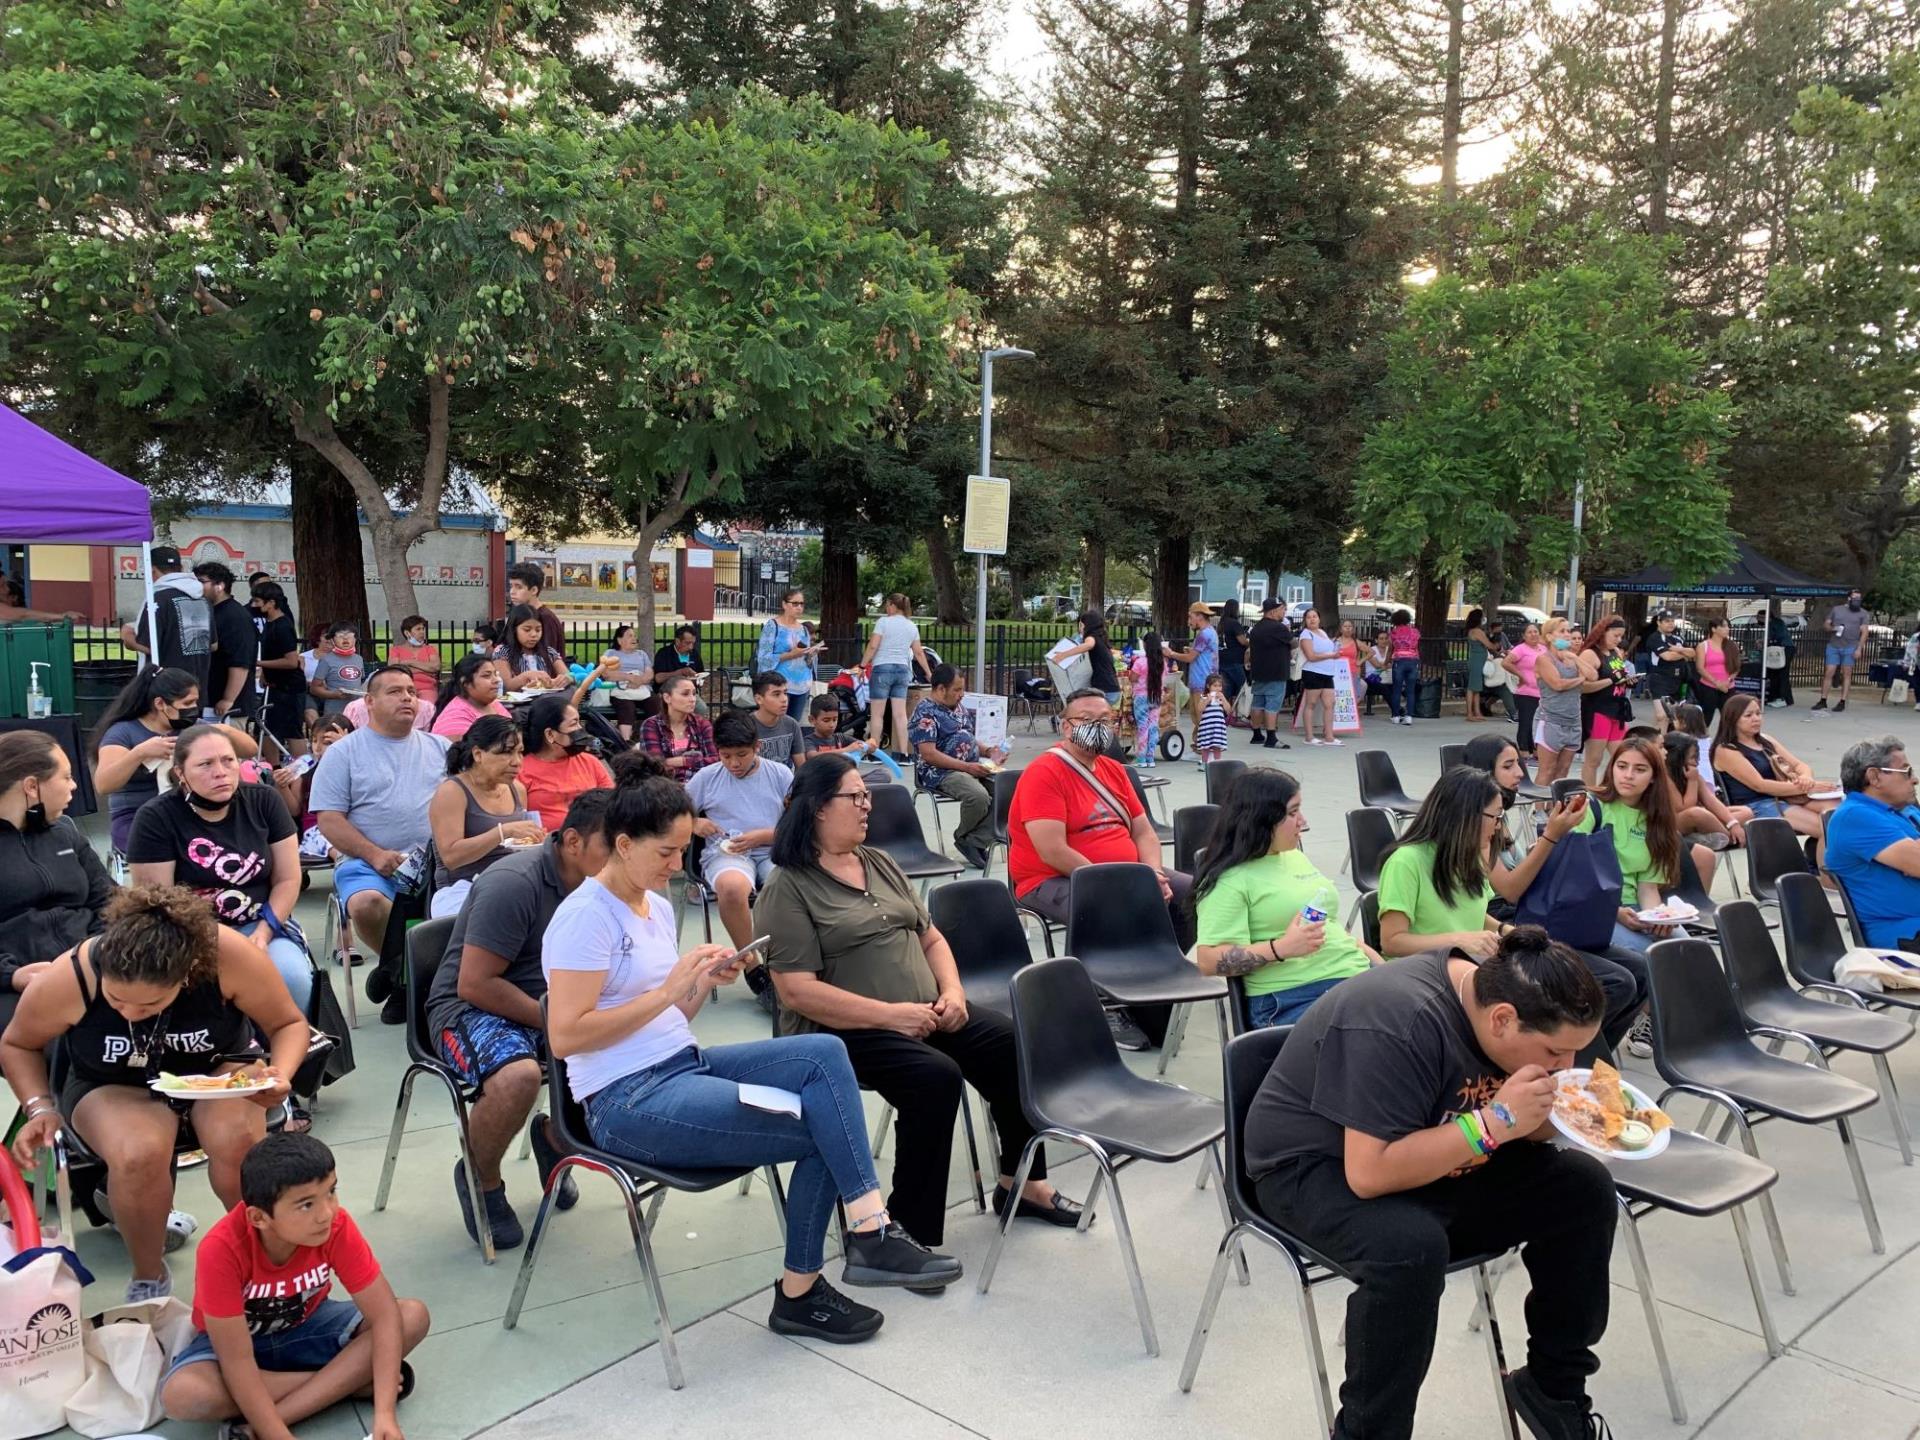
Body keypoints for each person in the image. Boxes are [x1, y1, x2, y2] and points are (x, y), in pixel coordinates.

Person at [543, 775, 963, 1342]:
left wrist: (700, 983)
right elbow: (567, 1037)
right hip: (624, 1099)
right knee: (821, 1127)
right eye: (666, 851)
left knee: (822, 1053)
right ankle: (815, 1280)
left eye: (682, 850)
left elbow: (673, 1020)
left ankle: (864, 1234)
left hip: (679, 1065)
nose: (676, 865)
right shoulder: (585, 917)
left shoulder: (653, 906)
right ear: (623, 845)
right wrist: (668, 991)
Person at [1242, 926, 1614, 1440]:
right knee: (1409, 1250)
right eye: (1554, 1054)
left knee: (1584, 1190)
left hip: (1441, 1155)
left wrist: (1567, 1116)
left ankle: (1553, 1387)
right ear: (1502, 1020)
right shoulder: (1398, 1018)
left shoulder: (1517, 1019)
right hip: (1312, 1165)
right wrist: (1495, 1122)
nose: (1564, 1066)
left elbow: (1525, 1132)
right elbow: (1369, 1173)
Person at [760, 755, 1081, 1247]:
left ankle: (1022, 1184)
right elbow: (797, 991)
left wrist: (953, 992)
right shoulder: (789, 886)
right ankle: (908, 1226)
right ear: (819, 808)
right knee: (933, 1077)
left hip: (925, 1010)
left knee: (1013, 1043)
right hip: (842, 1031)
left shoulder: (880, 862)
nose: (867, 805)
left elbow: (930, 938)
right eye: (855, 797)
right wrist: (892, 1016)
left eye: (866, 795)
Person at [3, 886, 309, 1302]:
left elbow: (288, 1024)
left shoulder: (228, 957)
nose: (129, 1013)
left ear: (186, 976)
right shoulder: (73, 974)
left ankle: (258, 1258)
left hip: (217, 1068)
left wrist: (280, 1074)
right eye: (116, 1000)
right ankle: (148, 1275)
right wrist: (39, 1106)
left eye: (148, 1006)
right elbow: (18, 1043)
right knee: (139, 1152)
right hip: (111, 1081)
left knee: (236, 1140)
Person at [424, 791, 612, 1249]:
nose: (624, 857)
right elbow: (475, 984)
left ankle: (554, 1137)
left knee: (638, 1055)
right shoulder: (514, 881)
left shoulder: (611, 886)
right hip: (471, 1008)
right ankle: (481, 1178)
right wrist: (560, 1022)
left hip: (554, 1004)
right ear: (572, 842)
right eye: (614, 845)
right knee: (517, 1078)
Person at [158, 1133, 430, 1440]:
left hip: (308, 1326)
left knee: (411, 1315)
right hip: (239, 1344)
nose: (326, 1213)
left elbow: (384, 1316)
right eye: (305, 1205)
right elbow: (237, 1361)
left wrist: (384, 1414)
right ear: (258, 1217)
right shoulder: (221, 1249)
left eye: (331, 1192)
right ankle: (349, 1382)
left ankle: (274, 1414)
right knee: (184, 1394)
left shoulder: (336, 1225)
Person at [1379, 765, 1646, 1052]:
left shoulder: (1466, 855)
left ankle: (1569, 1061)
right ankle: (1566, 1062)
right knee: (1605, 984)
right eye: (1494, 816)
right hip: (1435, 974)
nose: (1497, 826)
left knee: (1626, 977)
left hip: (1480, 959)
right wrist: (1460, 940)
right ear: (1465, 815)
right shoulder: (1406, 861)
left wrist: (1506, 930)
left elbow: (1467, 912)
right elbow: (1392, 941)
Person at [1007, 688, 1194, 1048]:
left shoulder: (1113, 770)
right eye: (1087, 720)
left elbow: (1143, 831)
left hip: (1126, 874)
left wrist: (1152, 873)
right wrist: (1117, 883)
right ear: (1066, 727)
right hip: (1050, 879)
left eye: (1105, 720)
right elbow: (1052, 850)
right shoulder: (1044, 773)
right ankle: (1101, 1002)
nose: (1098, 727)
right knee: (1115, 907)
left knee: (1191, 895)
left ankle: (1150, 979)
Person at [128, 725, 313, 1016]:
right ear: (180, 773)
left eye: (228, 760)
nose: (221, 771)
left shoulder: (264, 801)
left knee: (292, 978)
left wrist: (264, 932)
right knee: (208, 991)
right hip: (189, 934)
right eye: (205, 764)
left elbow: (288, 879)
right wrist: (223, 944)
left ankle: (285, 1056)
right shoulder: (156, 817)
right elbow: (159, 903)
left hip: (262, 923)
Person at [1192, 768, 1379, 1027]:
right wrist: (1281, 948)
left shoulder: (1294, 856)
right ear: (1261, 819)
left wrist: (1382, 969)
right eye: (1292, 813)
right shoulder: (1229, 880)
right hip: (1293, 996)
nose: (1302, 820)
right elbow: (1208, 961)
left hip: (1353, 979)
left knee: (1433, 1009)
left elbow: (1332, 930)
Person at [310, 666, 449, 968]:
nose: (407, 698)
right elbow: (329, 819)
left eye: (412, 692)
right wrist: (374, 855)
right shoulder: (343, 753)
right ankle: (399, 971)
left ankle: (421, 977)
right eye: (395, 692)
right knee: (366, 903)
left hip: (439, 862)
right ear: (369, 702)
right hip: (368, 864)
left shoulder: (441, 748)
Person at [0, 731, 111, 1032]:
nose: (75, 785)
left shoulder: (65, 831)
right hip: (18, 980)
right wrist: (11, 975)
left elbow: (109, 900)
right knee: (64, 1043)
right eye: (66, 777)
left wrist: (96, 951)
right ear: (32, 787)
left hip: (91, 962)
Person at [95, 667, 261, 855]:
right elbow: (103, 784)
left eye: (196, 702)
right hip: (136, 814)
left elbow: (250, 750)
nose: (193, 709)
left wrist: (225, 730)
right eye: (187, 703)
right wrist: (139, 753)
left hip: (189, 810)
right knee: (179, 845)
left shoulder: (190, 728)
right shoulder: (123, 733)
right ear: (160, 704)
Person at [687, 710, 793, 950]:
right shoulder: (706, 777)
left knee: (791, 885)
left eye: (742, 755)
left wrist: (766, 836)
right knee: (733, 888)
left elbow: (802, 824)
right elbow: (669, 816)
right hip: (728, 853)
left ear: (758, 746)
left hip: (773, 851)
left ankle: (783, 957)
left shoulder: (781, 774)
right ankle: (749, 961)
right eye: (725, 756)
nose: (734, 763)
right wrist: (693, 823)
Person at [1571, 735, 1685, 956]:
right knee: (1654, 957)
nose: (1628, 775)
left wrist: (1658, 918)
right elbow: (1573, 871)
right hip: (1592, 909)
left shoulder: (1657, 820)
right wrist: (1615, 911)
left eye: (1640, 769)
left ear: (1653, 778)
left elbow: (1648, 888)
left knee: (1686, 950)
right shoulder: (1592, 805)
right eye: (1622, 766)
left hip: (1635, 910)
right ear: (1612, 768)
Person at [427, 715, 542, 921]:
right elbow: (451, 857)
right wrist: (502, 832)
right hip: (461, 889)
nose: (517, 762)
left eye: (520, 752)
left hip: (511, 882)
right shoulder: (452, 792)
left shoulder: (517, 790)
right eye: (506, 752)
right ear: (478, 754)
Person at [1710, 692, 1835, 867]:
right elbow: (1760, 785)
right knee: (1827, 829)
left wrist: (1806, 779)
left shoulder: (1766, 740)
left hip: (1784, 795)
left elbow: (1800, 765)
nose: (1756, 719)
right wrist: (1805, 788)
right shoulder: (1726, 750)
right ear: (1732, 719)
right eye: (1748, 715)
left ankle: (1813, 860)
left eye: (1758, 713)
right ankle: (1827, 879)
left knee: (1834, 809)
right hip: (1757, 804)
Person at [1824, 736, 1920, 951]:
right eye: (1906, 772)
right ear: (1875, 777)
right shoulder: (1855, 816)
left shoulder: (1902, 810)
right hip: (1902, 933)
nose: (1914, 780)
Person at [908, 664, 1007, 870]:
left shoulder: (959, 708)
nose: (961, 695)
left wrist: (989, 752)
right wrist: (966, 767)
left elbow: (968, 737)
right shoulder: (925, 713)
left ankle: (974, 840)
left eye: (962, 689)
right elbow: (929, 754)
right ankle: (964, 837)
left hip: (969, 766)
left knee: (1008, 790)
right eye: (957, 690)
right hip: (940, 772)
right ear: (941, 689)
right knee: (978, 796)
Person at [1662, 731, 1749, 892]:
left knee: (1745, 812)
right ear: (1677, 757)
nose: (1695, 761)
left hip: (1698, 818)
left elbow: (1711, 801)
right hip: (1675, 822)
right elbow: (1684, 807)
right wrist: (1693, 782)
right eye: (1692, 757)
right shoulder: (1666, 776)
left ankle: (1717, 835)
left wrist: (1733, 823)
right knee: (1697, 813)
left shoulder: (1693, 774)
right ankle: (1731, 839)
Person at [516, 693, 614, 832]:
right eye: (573, 724)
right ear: (550, 734)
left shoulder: (590, 762)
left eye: (579, 722)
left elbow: (612, 806)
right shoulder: (521, 770)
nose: (580, 730)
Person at [121, 545, 212, 693]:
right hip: (195, 686)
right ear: (181, 567)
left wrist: (128, 637)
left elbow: (149, 646)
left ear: (152, 570)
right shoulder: (202, 599)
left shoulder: (157, 599)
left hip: (165, 689)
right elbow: (212, 644)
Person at [860, 593, 931, 756]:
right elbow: (919, 653)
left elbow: (873, 646)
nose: (886, 608)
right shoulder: (911, 626)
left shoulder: (883, 622)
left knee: (877, 714)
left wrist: (862, 665)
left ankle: (874, 752)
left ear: (892, 605)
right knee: (900, 715)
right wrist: (928, 672)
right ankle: (904, 754)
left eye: (887, 605)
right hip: (902, 670)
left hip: (882, 669)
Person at [195, 562, 260, 723]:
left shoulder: (235, 616)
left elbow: (240, 662)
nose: (196, 586)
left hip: (230, 707)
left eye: (201, 582)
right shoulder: (211, 611)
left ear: (220, 586)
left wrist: (228, 698)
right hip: (210, 701)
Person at [1577, 613, 1634, 789]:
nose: (1619, 640)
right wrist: (1610, 681)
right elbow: (1583, 686)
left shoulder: (1615, 652)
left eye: (1621, 636)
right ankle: (1589, 794)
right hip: (1598, 710)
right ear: (1603, 632)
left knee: (1621, 755)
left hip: (1617, 709)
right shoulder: (1590, 654)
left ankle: (1610, 791)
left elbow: (1620, 676)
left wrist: (1629, 681)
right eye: (1615, 635)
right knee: (1594, 759)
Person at [251, 583, 308, 754]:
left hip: (289, 688)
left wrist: (259, 664)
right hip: (274, 686)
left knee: (292, 731)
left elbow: (291, 662)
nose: (254, 606)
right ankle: (273, 768)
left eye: (258, 601)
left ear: (271, 603)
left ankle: (302, 771)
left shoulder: (283, 626)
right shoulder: (270, 623)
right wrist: (265, 675)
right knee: (266, 728)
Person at [1531, 618, 1586, 788]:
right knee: (1547, 770)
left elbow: (1592, 676)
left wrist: (1575, 659)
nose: (1567, 635)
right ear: (1549, 636)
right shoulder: (1543, 659)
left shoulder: (1571, 658)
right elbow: (1557, 684)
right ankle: (1538, 811)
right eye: (1562, 631)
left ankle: (1554, 808)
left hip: (1573, 721)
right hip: (1551, 721)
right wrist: (1580, 679)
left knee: (1563, 771)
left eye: (1568, 631)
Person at [637, 670, 717, 783]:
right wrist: (696, 761)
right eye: (685, 694)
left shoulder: (702, 724)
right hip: (665, 789)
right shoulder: (651, 725)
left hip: (700, 786)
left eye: (694, 694)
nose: (692, 699)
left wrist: (681, 761)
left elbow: (716, 761)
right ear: (667, 698)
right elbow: (655, 765)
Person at [756, 587, 823, 719]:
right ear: (784, 604)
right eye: (795, 603)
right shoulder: (773, 626)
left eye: (802, 604)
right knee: (776, 723)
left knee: (793, 724)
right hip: (779, 686)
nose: (799, 607)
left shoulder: (803, 629)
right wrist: (791, 655)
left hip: (802, 685)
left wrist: (812, 654)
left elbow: (807, 661)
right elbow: (763, 658)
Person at [1165, 603, 1220, 741]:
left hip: (1202, 680)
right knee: (1202, 716)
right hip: (1207, 679)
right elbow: (1201, 655)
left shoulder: (1204, 634)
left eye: (1191, 617)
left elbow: (1190, 658)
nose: (1189, 621)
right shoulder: (1209, 632)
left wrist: (1171, 653)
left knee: (1200, 716)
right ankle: (1199, 745)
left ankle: (1204, 748)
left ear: (1199, 616)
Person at [430, 652, 512, 741]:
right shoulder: (456, 718)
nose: (496, 680)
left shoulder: (493, 704)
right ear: (466, 683)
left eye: (495, 674)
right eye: (486, 676)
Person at [1246, 597, 1294, 748]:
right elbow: (1293, 642)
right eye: (1282, 609)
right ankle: (1271, 737)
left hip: (1259, 671)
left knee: (1258, 702)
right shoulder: (1278, 628)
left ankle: (1256, 734)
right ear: (1274, 611)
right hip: (1276, 671)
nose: (1284, 612)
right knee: (1272, 704)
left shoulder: (1256, 628)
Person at [492, 604, 571, 694]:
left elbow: (568, 674)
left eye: (538, 630)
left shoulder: (548, 651)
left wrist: (565, 678)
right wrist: (526, 676)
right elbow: (505, 686)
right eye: (527, 630)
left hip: (546, 702)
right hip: (517, 706)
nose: (534, 634)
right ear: (514, 630)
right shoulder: (503, 652)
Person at [1635, 610, 1691, 734]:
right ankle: (1659, 743)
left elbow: (1692, 653)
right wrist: (1682, 652)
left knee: (1675, 717)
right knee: (1662, 715)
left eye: (1672, 621)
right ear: (1659, 623)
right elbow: (1667, 656)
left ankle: (1665, 740)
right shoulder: (1654, 638)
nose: (1670, 624)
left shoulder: (1678, 638)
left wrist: (1677, 650)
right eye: (1666, 621)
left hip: (1677, 680)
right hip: (1660, 679)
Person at [1295, 608, 1343, 746]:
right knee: (1311, 703)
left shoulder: (1322, 632)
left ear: (1319, 618)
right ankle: (1309, 736)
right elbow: (1311, 656)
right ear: (1305, 620)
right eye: (1309, 617)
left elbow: (1329, 650)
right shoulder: (1306, 634)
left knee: (1330, 704)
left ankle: (1329, 736)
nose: (1312, 619)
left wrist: (1335, 653)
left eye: (1314, 616)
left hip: (1327, 672)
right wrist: (1331, 655)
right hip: (1313, 672)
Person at [1817, 586, 1868, 713]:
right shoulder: (1837, 610)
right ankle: (1823, 700)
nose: (1857, 600)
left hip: (1850, 646)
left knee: (1847, 673)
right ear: (1849, 598)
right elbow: (1826, 624)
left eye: (1859, 599)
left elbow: (1865, 632)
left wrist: (1859, 648)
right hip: (1834, 645)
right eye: (1854, 598)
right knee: (1829, 671)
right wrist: (1833, 628)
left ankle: (1842, 701)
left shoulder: (1863, 613)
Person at [599, 624, 655, 740]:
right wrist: (628, 677)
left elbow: (649, 673)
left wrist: (639, 681)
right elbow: (605, 673)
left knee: (655, 703)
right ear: (619, 640)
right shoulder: (610, 653)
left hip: (641, 689)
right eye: (630, 636)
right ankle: (625, 742)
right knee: (626, 707)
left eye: (634, 636)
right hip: (620, 689)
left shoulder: (641, 654)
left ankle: (654, 739)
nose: (634, 639)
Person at [1057, 610, 1120, 711]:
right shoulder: (1101, 638)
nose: (1080, 628)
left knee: (1087, 715)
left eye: (1081, 625)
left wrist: (1063, 655)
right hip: (1111, 687)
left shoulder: (1091, 637)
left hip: (1104, 689)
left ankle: (1062, 720)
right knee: (1095, 718)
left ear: (1086, 625)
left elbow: (1089, 645)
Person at [308, 622, 374, 719]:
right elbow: (314, 689)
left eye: (350, 636)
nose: (345, 639)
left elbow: (360, 682)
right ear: (332, 639)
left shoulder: (358, 659)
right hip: (335, 711)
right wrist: (333, 695)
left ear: (355, 639)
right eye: (340, 636)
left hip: (357, 710)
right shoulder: (326, 660)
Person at [506, 560, 566, 657]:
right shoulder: (518, 614)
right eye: (511, 586)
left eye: (518, 587)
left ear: (534, 590)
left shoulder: (546, 618)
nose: (512, 592)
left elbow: (549, 658)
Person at [1502, 622, 1545, 757]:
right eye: (1530, 632)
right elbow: (1506, 662)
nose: (1533, 634)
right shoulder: (1521, 649)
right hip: (1526, 692)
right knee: (1526, 722)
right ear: (1524, 636)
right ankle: (1524, 750)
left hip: (1542, 693)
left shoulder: (1544, 649)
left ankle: (1537, 750)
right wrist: (1520, 675)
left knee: (1539, 724)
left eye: (1535, 632)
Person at [749, 670, 809, 766]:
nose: (784, 699)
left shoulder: (791, 724)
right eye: (776, 694)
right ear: (759, 699)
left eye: (785, 693)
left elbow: (801, 766)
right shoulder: (747, 726)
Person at [1692, 616, 1741, 726]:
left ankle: (1726, 741)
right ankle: (1703, 741)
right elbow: (1700, 668)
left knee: (1729, 717)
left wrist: (1728, 680)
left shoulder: (1732, 645)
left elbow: (1736, 667)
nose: (1727, 629)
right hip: (1709, 686)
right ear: (1714, 629)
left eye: (1728, 626)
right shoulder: (1703, 646)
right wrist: (1716, 683)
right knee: (1706, 716)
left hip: (1728, 686)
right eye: (1723, 626)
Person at [386, 614, 443, 708]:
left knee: (428, 710)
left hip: (427, 688)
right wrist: (425, 670)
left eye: (423, 629)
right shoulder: (396, 650)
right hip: (403, 688)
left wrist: (409, 663)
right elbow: (394, 669)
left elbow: (435, 667)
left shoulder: (430, 649)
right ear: (407, 633)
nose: (422, 632)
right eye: (418, 629)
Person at [1464, 608, 1508, 723]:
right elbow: (1489, 645)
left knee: (1477, 688)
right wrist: (1497, 645)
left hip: (1478, 660)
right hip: (1477, 661)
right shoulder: (1477, 631)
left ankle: (1477, 712)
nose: (1484, 618)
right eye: (1482, 616)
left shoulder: (1473, 630)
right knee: (1472, 688)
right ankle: (1470, 713)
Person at [1129, 632, 1165, 766]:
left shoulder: (1140, 662)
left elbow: (1132, 678)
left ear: (1145, 645)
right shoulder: (1162, 663)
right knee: (1153, 727)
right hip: (1156, 697)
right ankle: (1151, 758)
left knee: (1142, 727)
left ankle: (1141, 758)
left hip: (1141, 697)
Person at [1386, 609, 1422, 726]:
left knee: (1396, 689)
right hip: (1412, 661)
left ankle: (1396, 716)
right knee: (1410, 691)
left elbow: (1391, 649)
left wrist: (1387, 661)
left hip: (1399, 661)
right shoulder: (1415, 632)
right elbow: (1417, 647)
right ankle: (1409, 716)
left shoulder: (1394, 633)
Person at [1217, 598, 1249, 713]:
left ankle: (1223, 712)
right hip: (1235, 659)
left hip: (1223, 658)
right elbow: (1242, 641)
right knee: (1243, 686)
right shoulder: (1234, 624)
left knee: (1227, 688)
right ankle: (1241, 712)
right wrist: (1250, 642)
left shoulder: (1221, 623)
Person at [1196, 673, 1230, 764]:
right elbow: (1199, 709)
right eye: (1215, 686)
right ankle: (1204, 764)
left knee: (1217, 746)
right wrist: (1207, 700)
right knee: (1205, 747)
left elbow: (1228, 710)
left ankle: (1217, 764)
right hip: (1207, 726)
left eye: (1219, 686)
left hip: (1218, 726)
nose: (1217, 688)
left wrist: (1224, 700)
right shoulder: (1204, 697)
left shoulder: (1221, 698)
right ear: (1208, 686)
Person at [1766, 610, 1796, 709]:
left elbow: (1776, 636)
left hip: (1784, 649)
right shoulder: (1775, 623)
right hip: (1782, 648)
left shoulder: (1775, 623)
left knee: (1783, 673)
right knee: (1775, 674)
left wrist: (1768, 641)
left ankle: (1785, 698)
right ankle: (1777, 697)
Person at [1362, 632, 1394, 717]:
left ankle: (1399, 711)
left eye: (1386, 638)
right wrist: (1387, 665)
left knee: (1397, 685)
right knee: (1384, 687)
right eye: (1381, 638)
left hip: (1387, 677)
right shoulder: (1372, 650)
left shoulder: (1389, 650)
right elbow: (1376, 665)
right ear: (1376, 640)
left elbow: (1393, 664)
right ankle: (1397, 710)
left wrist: (1383, 665)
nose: (1384, 641)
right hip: (1372, 678)